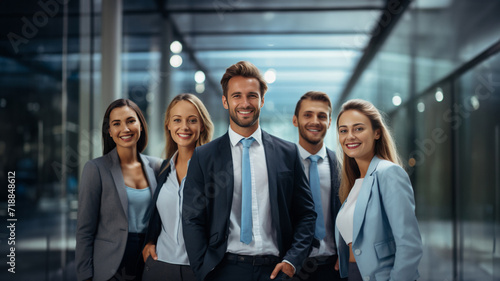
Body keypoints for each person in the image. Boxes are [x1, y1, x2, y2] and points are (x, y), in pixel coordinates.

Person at [182, 61, 317, 281]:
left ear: (262, 100)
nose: (245, 103)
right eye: (237, 96)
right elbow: (192, 217)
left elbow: (306, 214)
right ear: (225, 101)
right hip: (224, 270)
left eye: (252, 95)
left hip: (276, 270)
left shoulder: (288, 153)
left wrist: (293, 261)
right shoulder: (204, 156)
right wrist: (203, 269)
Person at [334, 99, 423, 281]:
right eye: (344, 130)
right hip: (354, 274)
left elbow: (409, 244)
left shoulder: (388, 173)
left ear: (377, 133)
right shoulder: (356, 182)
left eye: (358, 128)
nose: (350, 136)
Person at [76, 99, 162, 281]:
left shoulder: (157, 167)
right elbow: (85, 230)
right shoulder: (96, 169)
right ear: (109, 131)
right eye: (117, 123)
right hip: (110, 267)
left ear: (140, 123)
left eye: (131, 121)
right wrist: (85, 276)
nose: (125, 129)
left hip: (150, 262)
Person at [141, 93, 214, 281]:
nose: (184, 127)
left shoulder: (214, 171)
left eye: (192, 120)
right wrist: (149, 241)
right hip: (160, 266)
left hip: (199, 270)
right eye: (177, 120)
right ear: (168, 124)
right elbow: (157, 215)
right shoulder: (163, 169)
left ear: (202, 125)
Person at [291, 91, 346, 281]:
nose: (315, 121)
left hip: (334, 268)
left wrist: (347, 253)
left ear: (330, 122)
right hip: (293, 268)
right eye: (308, 115)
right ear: (295, 120)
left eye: (322, 116)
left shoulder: (343, 165)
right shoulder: (280, 164)